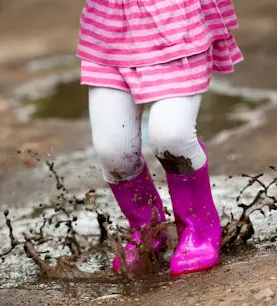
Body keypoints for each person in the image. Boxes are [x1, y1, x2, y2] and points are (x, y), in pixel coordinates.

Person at [76, 0, 243, 276]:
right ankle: (148, 228)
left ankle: (198, 228)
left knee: (172, 138)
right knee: (113, 153)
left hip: (174, 25)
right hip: (109, 31)